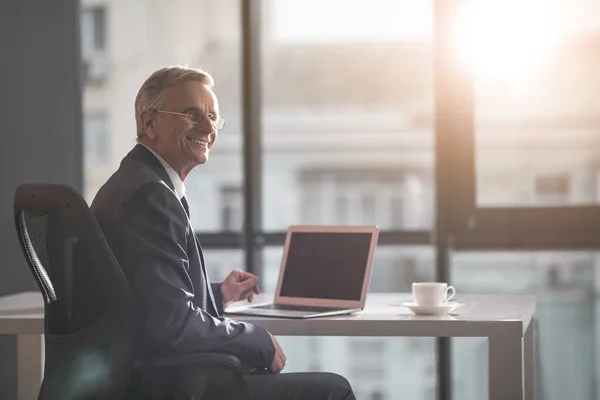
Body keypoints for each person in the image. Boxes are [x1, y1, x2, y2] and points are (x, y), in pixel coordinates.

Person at [90, 65, 356, 400]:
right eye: (192, 114)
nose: (208, 128)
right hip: (172, 385)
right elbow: (172, 323)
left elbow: (148, 300)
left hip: (158, 374)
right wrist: (255, 338)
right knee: (335, 390)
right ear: (149, 122)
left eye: (213, 118)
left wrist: (217, 294)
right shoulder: (150, 195)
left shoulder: (136, 182)